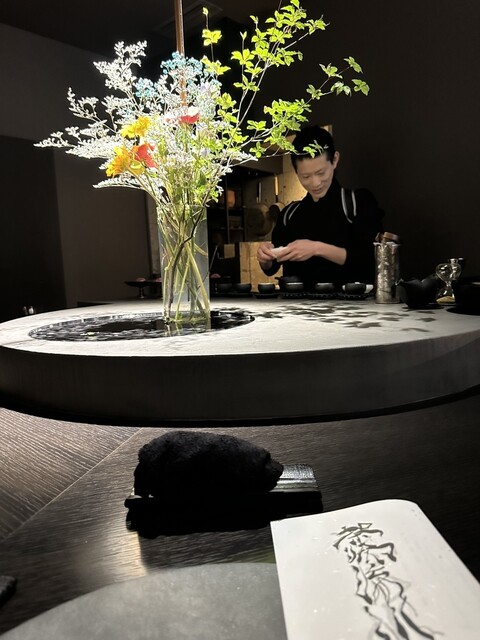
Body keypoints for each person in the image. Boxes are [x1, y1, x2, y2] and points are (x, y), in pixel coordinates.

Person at [257, 125, 384, 290]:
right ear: (296, 171)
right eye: (306, 176)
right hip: (299, 305)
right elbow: (271, 268)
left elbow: (373, 261)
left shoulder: (357, 202)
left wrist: (317, 248)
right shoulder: (289, 214)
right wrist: (265, 258)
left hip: (350, 304)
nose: (315, 183)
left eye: (321, 173)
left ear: (335, 160)